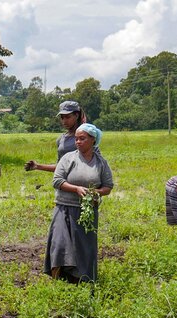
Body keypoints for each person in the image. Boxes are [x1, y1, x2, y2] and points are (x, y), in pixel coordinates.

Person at [44, 123, 114, 283]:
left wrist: (95, 192)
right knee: (59, 244)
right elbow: (57, 180)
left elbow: (108, 186)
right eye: (76, 139)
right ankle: (55, 283)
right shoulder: (68, 158)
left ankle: (84, 280)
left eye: (82, 139)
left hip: (86, 211)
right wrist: (76, 189)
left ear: (93, 140)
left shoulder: (101, 163)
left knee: (84, 247)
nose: (78, 142)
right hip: (64, 208)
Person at [25, 100, 88, 173]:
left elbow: (95, 163)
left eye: (67, 117)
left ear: (76, 115)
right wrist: (37, 166)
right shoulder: (61, 139)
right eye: (62, 118)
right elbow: (60, 167)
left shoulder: (87, 136)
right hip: (65, 181)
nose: (64, 121)